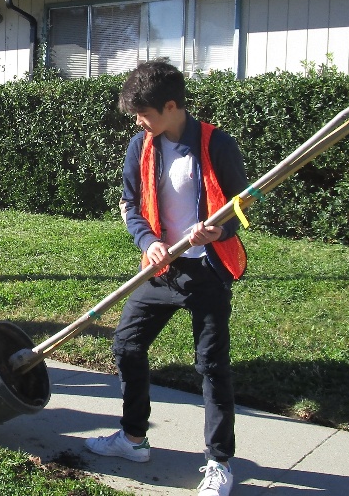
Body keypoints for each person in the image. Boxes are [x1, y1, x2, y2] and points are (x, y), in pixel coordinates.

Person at [83, 61, 248, 496]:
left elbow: (239, 204)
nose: (139, 121)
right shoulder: (141, 145)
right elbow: (129, 205)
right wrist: (147, 242)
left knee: (211, 366)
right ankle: (133, 439)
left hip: (207, 272)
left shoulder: (217, 144)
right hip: (162, 270)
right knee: (127, 346)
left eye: (145, 113)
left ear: (171, 106)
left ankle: (218, 463)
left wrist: (220, 229)